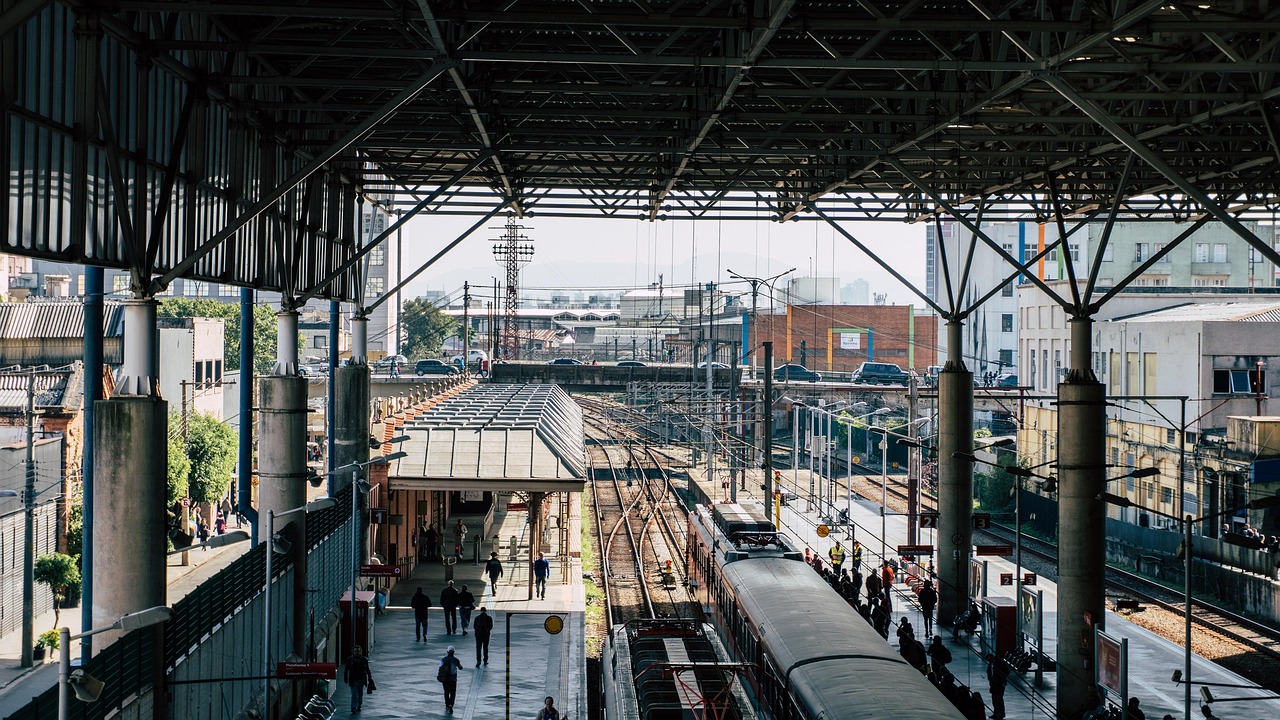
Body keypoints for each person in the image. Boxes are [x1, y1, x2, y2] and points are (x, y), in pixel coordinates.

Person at [344, 645, 373, 713]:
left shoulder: (364, 660)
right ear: (353, 652)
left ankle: (359, 705)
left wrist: (369, 677)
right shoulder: (349, 660)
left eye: (358, 651)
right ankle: (353, 707)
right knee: (354, 694)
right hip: (353, 680)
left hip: (361, 680)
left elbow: (367, 669)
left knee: (360, 694)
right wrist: (345, 678)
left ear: (361, 652)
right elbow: (346, 670)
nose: (357, 653)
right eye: (355, 651)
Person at [437, 645, 463, 713]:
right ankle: (451, 704)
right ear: (454, 652)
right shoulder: (456, 660)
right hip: (453, 679)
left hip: (445, 678)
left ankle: (447, 705)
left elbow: (440, 667)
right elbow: (460, 667)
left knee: (446, 692)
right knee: (453, 692)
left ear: (447, 652)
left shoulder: (443, 659)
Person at [986, 653, 1008, 720]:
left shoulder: (999, 663)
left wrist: (1002, 678)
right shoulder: (991, 664)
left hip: (999, 684)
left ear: (991, 657)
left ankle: (1001, 714)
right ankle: (996, 713)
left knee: (999, 699)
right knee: (995, 700)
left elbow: (1007, 671)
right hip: (993, 684)